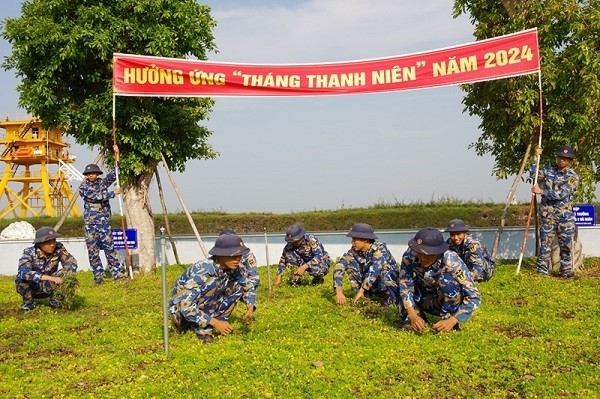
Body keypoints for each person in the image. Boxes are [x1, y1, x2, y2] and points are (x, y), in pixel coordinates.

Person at [386, 227, 481, 333]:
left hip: (441, 300)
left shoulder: (452, 262)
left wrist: (453, 320)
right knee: (391, 277)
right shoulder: (409, 256)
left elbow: (474, 296)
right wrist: (412, 314)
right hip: (422, 296)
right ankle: (415, 321)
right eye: (419, 253)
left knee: (449, 282)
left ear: (438, 252)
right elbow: (405, 284)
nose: (423, 258)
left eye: (428, 255)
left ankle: (447, 323)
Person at [168, 233, 256, 343]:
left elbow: (247, 286)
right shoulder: (204, 272)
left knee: (237, 286)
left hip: (203, 308)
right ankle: (204, 327)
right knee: (212, 283)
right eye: (233, 255)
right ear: (220, 255)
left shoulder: (234, 268)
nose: (237, 259)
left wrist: (250, 308)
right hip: (181, 315)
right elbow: (186, 307)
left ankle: (220, 321)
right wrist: (215, 323)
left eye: (240, 255)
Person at [78, 145, 126, 284]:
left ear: (97, 174)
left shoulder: (102, 183)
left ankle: (116, 272)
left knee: (109, 248)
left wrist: (117, 155)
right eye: (88, 174)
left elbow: (115, 173)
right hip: (90, 225)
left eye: (93, 173)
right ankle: (98, 275)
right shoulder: (83, 187)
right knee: (93, 250)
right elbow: (95, 196)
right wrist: (113, 193)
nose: (91, 175)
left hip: (104, 222)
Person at [531, 145, 580, 277]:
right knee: (545, 245)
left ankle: (566, 272)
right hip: (548, 216)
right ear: (557, 157)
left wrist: (541, 191)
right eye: (560, 157)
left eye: (566, 158)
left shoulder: (573, 176)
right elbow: (533, 175)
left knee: (566, 247)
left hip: (565, 218)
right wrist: (536, 157)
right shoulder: (548, 170)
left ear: (570, 160)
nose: (562, 160)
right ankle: (542, 272)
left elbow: (561, 194)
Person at [15, 226, 78, 311]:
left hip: (50, 285)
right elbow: (24, 272)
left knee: (67, 274)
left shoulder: (58, 248)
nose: (52, 245)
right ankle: (28, 304)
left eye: (54, 241)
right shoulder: (29, 252)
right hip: (33, 286)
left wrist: (66, 275)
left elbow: (71, 262)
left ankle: (56, 302)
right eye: (48, 242)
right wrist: (51, 278)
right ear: (40, 243)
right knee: (21, 279)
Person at [333, 223, 397, 306]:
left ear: (364, 240)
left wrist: (361, 290)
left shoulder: (380, 249)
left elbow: (374, 270)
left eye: (354, 239)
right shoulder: (353, 251)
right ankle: (363, 294)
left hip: (389, 284)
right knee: (350, 265)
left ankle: (390, 296)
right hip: (371, 285)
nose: (352, 242)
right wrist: (339, 291)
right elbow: (340, 265)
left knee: (384, 271)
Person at [220, 229, 260, 323]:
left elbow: (254, 278)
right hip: (225, 283)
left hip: (241, 280)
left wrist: (249, 302)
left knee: (239, 287)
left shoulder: (247, 254)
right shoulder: (212, 264)